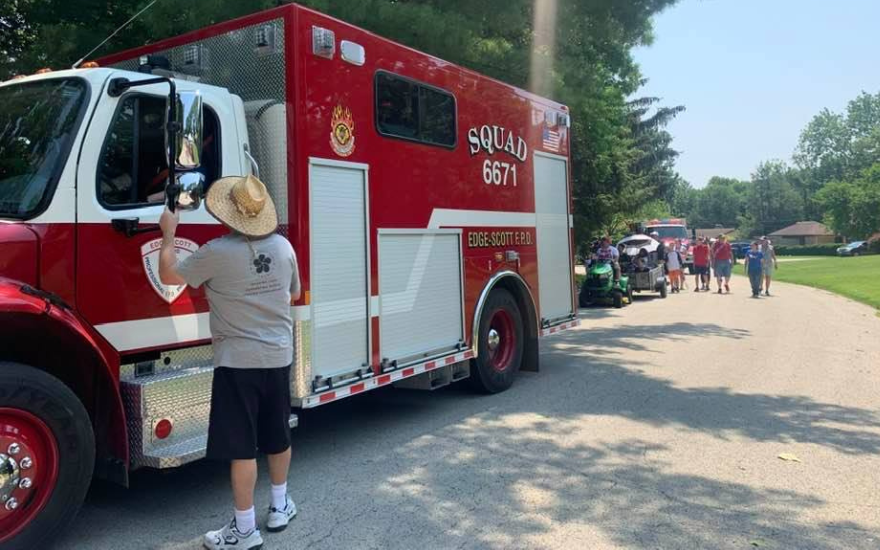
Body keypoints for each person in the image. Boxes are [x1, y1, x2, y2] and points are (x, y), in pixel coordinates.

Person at [158, 175, 300, 550]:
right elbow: (295, 292)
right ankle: (280, 505)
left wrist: (168, 234)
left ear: (229, 215)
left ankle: (245, 529)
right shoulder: (285, 247)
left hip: (238, 362)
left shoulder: (216, 252)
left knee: (242, 446)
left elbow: (169, 275)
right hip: (279, 356)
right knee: (277, 434)